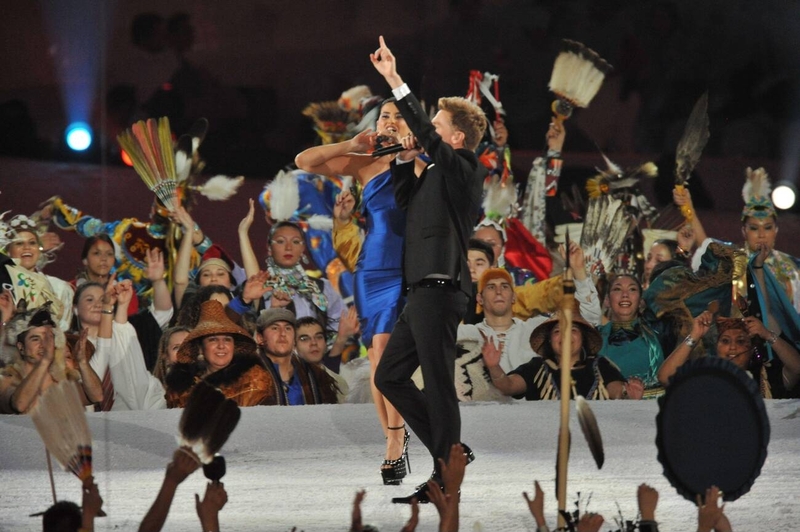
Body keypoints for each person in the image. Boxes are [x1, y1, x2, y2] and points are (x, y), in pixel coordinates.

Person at [370, 35, 486, 503]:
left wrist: (395, 81)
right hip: (420, 292)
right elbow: (404, 203)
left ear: (455, 138)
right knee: (389, 377)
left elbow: (428, 137)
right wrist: (401, 156)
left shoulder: (464, 168)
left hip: (441, 288)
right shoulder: (432, 174)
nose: (426, 130)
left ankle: (445, 473)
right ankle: (451, 450)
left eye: (435, 126)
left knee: (438, 387)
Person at [295, 97, 428, 484]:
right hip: (373, 269)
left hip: (411, 266)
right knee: (378, 355)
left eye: (398, 116)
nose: (389, 121)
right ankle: (394, 440)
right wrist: (350, 144)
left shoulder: (425, 160)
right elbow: (305, 161)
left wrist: (416, 151)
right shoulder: (368, 161)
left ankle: (403, 433)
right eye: (385, 115)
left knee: (395, 357)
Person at [483, 305, 640, 400]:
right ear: (550, 340)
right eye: (558, 330)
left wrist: (629, 394)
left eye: (572, 329)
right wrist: (493, 366)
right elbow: (508, 386)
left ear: (583, 338)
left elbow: (617, 392)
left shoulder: (602, 366)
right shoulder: (536, 367)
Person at [659, 313, 800, 397]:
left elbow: (796, 367)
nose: (732, 347)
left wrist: (768, 335)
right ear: (717, 347)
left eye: (740, 341)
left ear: (751, 349)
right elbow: (665, 377)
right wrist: (694, 336)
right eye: (725, 341)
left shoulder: (766, 375)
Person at [165, 300, 275, 407]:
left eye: (227, 339)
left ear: (234, 346)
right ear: (200, 348)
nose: (221, 345)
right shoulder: (180, 391)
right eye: (213, 339)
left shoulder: (254, 379)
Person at [1, 307, 102, 414]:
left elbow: (96, 396)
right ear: (21, 348)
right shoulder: (7, 379)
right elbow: (20, 405)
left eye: (48, 338)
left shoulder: (62, 382)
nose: (43, 344)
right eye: (35, 339)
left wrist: (82, 362)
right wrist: (44, 361)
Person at [254, 308, 340, 405]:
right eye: (275, 328)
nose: (283, 334)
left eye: (288, 328)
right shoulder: (249, 378)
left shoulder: (317, 376)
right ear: (260, 338)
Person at [598, 274, 664, 397]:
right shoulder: (594, 338)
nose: (625, 295)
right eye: (617, 289)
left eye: (632, 289)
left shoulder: (659, 335)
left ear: (640, 301)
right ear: (607, 300)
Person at [294, 315, 354, 403]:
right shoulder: (288, 382)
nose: (314, 343)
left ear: (325, 343)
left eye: (319, 337)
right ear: (294, 346)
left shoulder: (339, 383)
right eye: (304, 339)